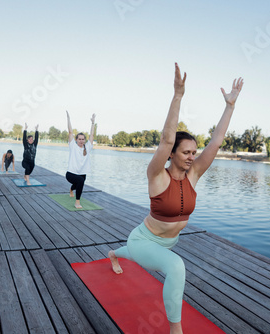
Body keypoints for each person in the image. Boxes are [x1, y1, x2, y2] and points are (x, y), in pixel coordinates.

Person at [108, 63, 243, 334]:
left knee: (132, 255)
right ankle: (175, 330)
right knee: (176, 266)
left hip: (166, 242)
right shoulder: (157, 175)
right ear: (172, 154)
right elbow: (167, 139)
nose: (192, 156)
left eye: (194, 152)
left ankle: (113, 254)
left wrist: (230, 106)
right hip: (144, 239)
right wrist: (178, 96)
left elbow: (216, 141)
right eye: (186, 152)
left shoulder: (193, 175)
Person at [65, 111, 96, 209]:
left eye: (83, 139)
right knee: (80, 181)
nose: (81, 141)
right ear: (76, 140)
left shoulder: (87, 147)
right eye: (79, 139)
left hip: (82, 173)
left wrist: (92, 123)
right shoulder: (73, 146)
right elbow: (70, 132)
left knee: (79, 183)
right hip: (70, 173)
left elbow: (92, 135)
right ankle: (77, 202)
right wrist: (68, 118)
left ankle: (71, 189)